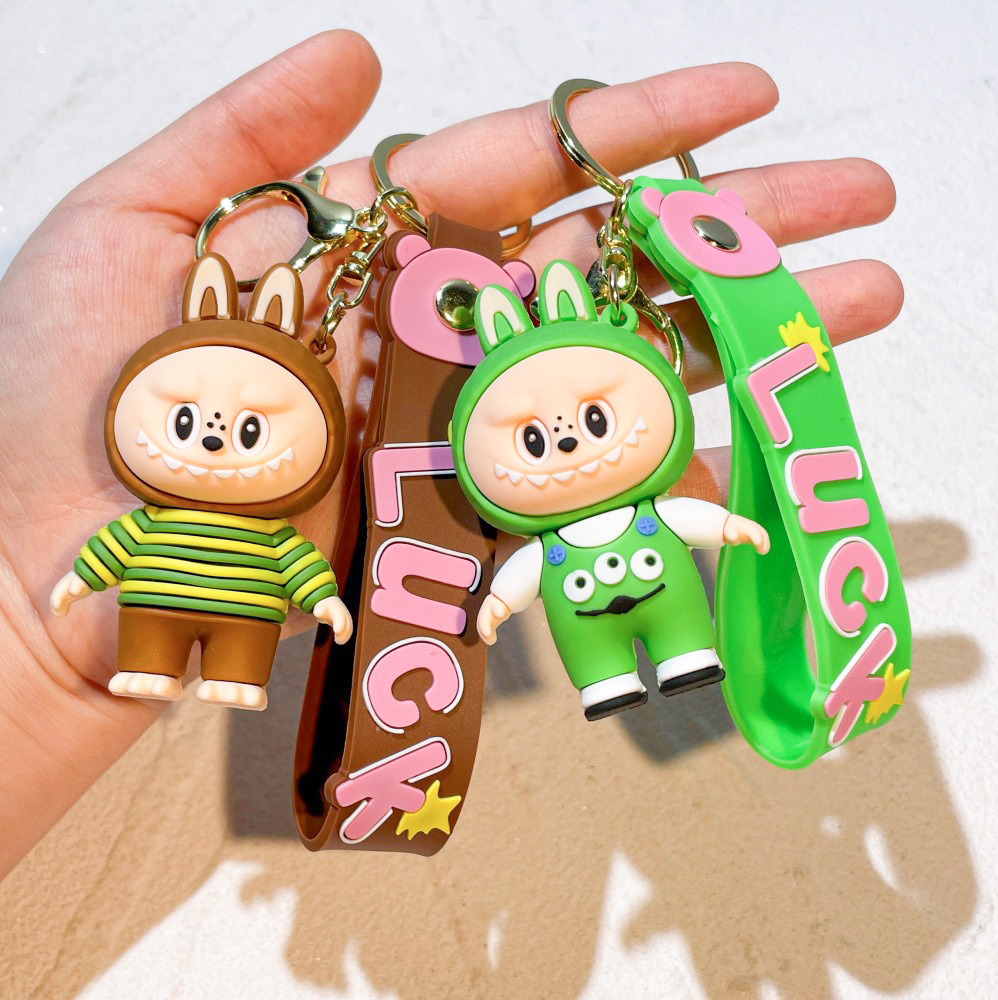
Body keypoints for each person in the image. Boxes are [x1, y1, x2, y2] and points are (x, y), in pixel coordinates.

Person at [0, 29, 902, 879]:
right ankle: (611, 677)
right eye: (537, 439)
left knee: (668, 629)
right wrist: (34, 618)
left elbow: (656, 526)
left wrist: (729, 528)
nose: (566, 447)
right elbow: (193, 555)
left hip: (609, 570)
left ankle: (673, 658)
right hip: (524, 577)